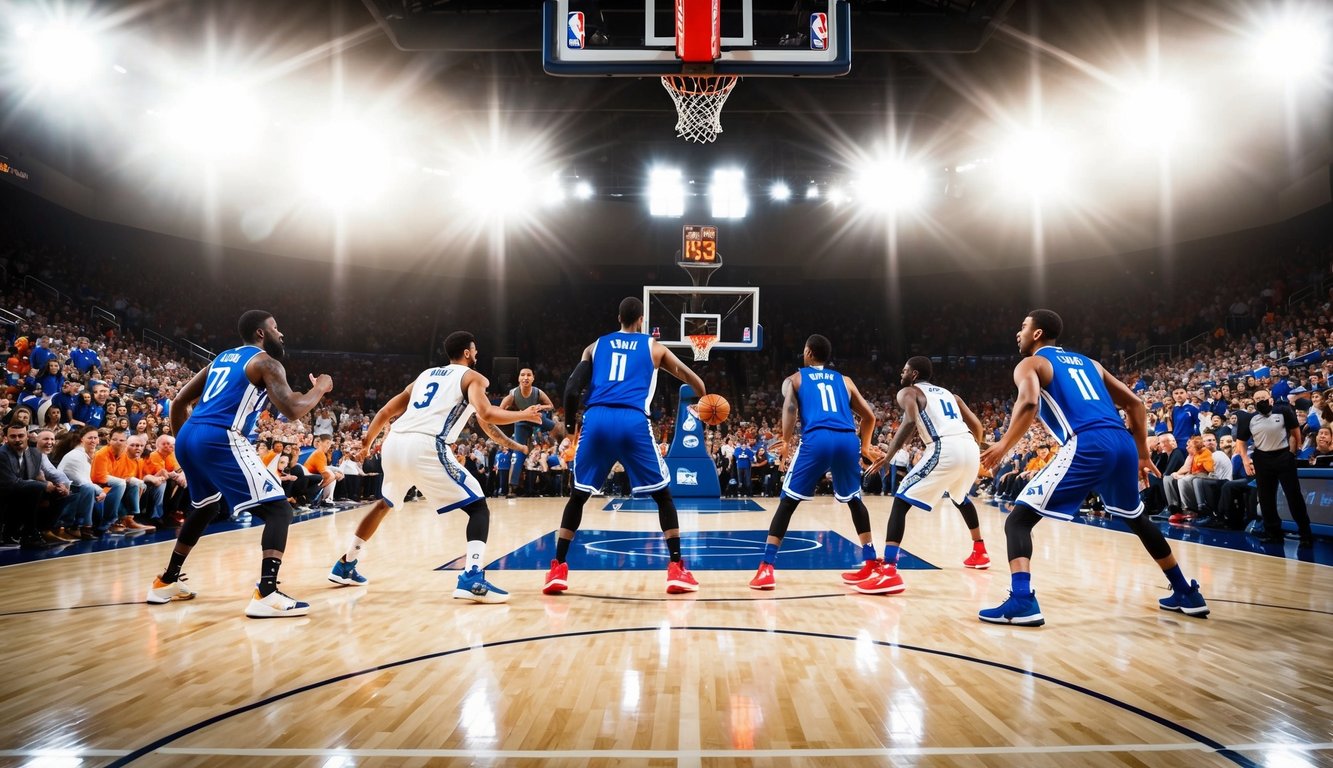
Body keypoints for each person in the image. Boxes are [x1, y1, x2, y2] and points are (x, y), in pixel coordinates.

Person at [978, 309, 1208, 626]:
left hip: (1087, 442)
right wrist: (1142, 453)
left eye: (1023, 327)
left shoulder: (1031, 364)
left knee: (1018, 521)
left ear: (1037, 334)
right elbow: (1135, 404)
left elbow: (1029, 403)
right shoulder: (1091, 364)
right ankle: (1185, 592)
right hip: (1122, 443)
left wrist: (1004, 445)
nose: (1018, 333)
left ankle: (1021, 602)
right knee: (1138, 520)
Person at [329, 331, 544, 603]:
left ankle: (346, 563)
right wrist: (524, 414)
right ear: (467, 353)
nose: (476, 354)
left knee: (385, 503)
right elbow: (487, 413)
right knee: (478, 507)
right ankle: (472, 578)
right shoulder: (474, 378)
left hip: (395, 442)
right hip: (427, 445)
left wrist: (367, 444)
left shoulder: (425, 376)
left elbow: (384, 412)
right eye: (475, 350)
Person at [146, 310, 333, 618]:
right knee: (279, 509)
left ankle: (165, 581)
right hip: (220, 436)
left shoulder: (222, 359)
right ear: (261, 334)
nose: (281, 334)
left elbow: (179, 402)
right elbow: (294, 410)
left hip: (190, 435)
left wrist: (185, 444)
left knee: (205, 507)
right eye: (276, 328)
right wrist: (321, 388)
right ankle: (267, 593)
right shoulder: (266, 363)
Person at [545, 297, 708, 595]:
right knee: (663, 497)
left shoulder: (594, 346)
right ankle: (676, 569)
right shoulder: (653, 347)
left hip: (596, 418)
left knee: (578, 497)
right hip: (632, 420)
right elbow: (687, 375)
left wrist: (569, 427)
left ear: (618, 317)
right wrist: (703, 393)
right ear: (641, 319)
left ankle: (557, 567)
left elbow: (570, 389)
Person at [748, 334, 884, 591]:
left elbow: (790, 409)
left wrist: (786, 441)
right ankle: (870, 563)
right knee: (854, 500)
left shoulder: (795, 378)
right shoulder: (845, 381)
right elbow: (869, 417)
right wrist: (865, 446)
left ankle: (766, 567)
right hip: (847, 439)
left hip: (817, 438)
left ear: (809, 352)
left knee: (788, 501)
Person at [853, 357, 988, 595]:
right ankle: (980, 550)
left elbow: (911, 421)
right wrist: (979, 446)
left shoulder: (909, 392)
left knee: (901, 500)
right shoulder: (950, 395)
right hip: (969, 446)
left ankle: (890, 571)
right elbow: (976, 424)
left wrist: (889, 455)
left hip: (944, 446)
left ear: (914, 374)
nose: (901, 373)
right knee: (960, 498)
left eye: (904, 370)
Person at [1232, 389, 1315, 545]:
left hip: (1283, 456)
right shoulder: (1249, 418)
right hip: (1262, 459)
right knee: (1266, 499)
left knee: (1293, 496)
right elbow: (1241, 441)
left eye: (1264, 397)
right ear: (1253, 401)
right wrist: (1244, 459)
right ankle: (1273, 534)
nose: (1261, 400)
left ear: (1270, 398)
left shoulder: (1282, 411)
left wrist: (1293, 450)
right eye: (1258, 398)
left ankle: (1305, 533)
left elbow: (1294, 430)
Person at [500, 367, 562, 498]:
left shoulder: (538, 392)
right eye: (522, 375)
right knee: (518, 453)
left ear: (533, 378)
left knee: (557, 428)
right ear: (519, 378)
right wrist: (517, 414)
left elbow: (550, 406)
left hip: (536, 418)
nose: (526, 377)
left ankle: (564, 442)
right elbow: (500, 410)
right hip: (521, 421)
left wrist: (541, 406)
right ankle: (512, 488)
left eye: (529, 375)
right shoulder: (513, 394)